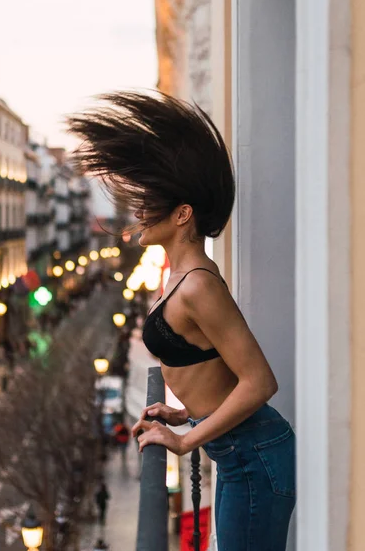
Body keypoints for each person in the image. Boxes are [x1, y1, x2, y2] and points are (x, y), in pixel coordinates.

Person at [68, 91, 296, 551]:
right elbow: (211, 365)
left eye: (151, 201)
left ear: (183, 214)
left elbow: (259, 382)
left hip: (254, 455)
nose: (138, 211)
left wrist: (184, 440)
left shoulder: (197, 285)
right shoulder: (179, 275)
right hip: (237, 455)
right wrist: (184, 411)